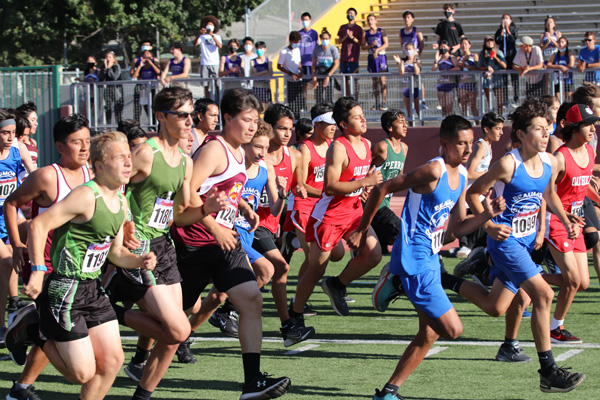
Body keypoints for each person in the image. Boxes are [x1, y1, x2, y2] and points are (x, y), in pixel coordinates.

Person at [347, 115, 505, 400]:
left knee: (429, 334)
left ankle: (388, 393)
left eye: (470, 143)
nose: (468, 150)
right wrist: (360, 231)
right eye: (461, 144)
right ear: (444, 144)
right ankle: (394, 280)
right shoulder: (434, 170)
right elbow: (383, 188)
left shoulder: (462, 178)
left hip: (432, 256)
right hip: (415, 258)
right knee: (453, 330)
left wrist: (485, 215)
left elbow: (458, 229)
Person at [8, 131, 157, 400]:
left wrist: (138, 260)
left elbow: (116, 253)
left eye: (129, 157)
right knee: (81, 374)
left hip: (93, 289)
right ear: (100, 166)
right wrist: (39, 271)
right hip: (65, 289)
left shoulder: (121, 202)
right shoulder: (87, 196)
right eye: (120, 157)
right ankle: (31, 328)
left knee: (112, 362)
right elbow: (39, 224)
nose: (128, 163)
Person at [170, 88, 291, 399]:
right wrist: (214, 226)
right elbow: (187, 194)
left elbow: (224, 191)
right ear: (228, 118)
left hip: (226, 243)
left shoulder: (239, 150)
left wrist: (243, 207)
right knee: (173, 318)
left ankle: (252, 383)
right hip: (195, 243)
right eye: (246, 120)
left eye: (255, 121)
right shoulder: (214, 149)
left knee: (251, 299)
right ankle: (139, 357)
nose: (252, 126)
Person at [459, 98, 586, 393]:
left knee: (495, 306)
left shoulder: (550, 161)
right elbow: (473, 194)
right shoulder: (508, 164)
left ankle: (447, 277)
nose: (546, 134)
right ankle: (549, 371)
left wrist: (565, 218)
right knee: (542, 295)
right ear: (521, 134)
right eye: (539, 129)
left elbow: (550, 194)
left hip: (526, 242)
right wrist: (489, 224)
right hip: (506, 243)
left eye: (547, 129)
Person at [105, 87, 194, 400]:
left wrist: (210, 209)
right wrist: (125, 223)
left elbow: (181, 214)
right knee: (179, 331)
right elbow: (112, 186)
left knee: (173, 335)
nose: (187, 121)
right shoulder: (145, 153)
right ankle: (105, 311)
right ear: (161, 116)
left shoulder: (185, 159)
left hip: (164, 245)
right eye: (180, 114)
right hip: (140, 246)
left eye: (190, 114)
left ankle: (142, 396)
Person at [4, 114, 92, 400]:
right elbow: (12, 202)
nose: (83, 148)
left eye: (87, 141)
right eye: (76, 142)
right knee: (56, 331)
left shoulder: (92, 174)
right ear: (59, 146)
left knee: (51, 327)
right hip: (47, 264)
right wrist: (18, 244)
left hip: (77, 266)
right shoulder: (46, 176)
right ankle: (26, 331)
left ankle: (22, 382)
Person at [290, 97, 382, 324]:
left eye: (362, 115)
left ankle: (337, 284)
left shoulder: (367, 144)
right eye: (356, 117)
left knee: (374, 254)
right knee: (316, 269)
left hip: (353, 210)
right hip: (329, 216)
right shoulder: (338, 148)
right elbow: (330, 187)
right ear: (343, 124)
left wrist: (364, 187)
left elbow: (357, 179)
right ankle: (294, 315)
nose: (362, 119)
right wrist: (363, 183)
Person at [252, 104, 311, 345]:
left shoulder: (294, 156)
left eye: (290, 129)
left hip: (271, 224)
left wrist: (301, 189)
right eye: (281, 128)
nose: (287, 133)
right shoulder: (257, 154)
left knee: (258, 274)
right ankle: (288, 326)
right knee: (280, 267)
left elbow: (300, 187)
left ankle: (226, 308)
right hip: (251, 224)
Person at [542, 104, 600, 345]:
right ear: (574, 128)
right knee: (572, 280)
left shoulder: (590, 152)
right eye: (588, 125)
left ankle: (522, 277)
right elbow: (547, 192)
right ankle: (556, 328)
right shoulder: (560, 157)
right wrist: (566, 219)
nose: (593, 129)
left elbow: (582, 182)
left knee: (582, 283)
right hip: (557, 220)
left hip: (575, 221)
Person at [456, 112, 505, 258]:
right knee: (485, 218)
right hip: (469, 195)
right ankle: (466, 247)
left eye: (502, 129)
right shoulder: (480, 146)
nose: (501, 133)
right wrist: (491, 175)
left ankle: (474, 248)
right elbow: (470, 172)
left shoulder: (488, 147)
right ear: (486, 129)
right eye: (497, 129)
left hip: (478, 193)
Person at [0, 110, 27, 348]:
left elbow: (27, 181)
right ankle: (14, 304)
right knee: (7, 260)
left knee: (40, 231)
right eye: (5, 132)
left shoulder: (16, 154)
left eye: (12, 133)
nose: (10, 137)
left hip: (11, 218)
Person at [370, 109, 408, 255]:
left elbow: (399, 176)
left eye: (405, 122)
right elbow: (362, 168)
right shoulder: (382, 147)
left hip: (386, 202)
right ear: (390, 127)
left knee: (379, 250)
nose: (405, 125)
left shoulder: (404, 148)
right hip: (374, 203)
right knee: (403, 233)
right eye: (400, 122)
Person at [362, 14, 389, 111]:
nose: (370, 22)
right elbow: (363, 46)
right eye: (368, 20)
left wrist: (377, 49)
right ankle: (377, 101)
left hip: (381, 56)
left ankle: (384, 102)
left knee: (382, 80)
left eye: (372, 19)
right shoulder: (366, 33)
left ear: (375, 21)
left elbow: (386, 44)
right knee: (374, 81)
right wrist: (371, 46)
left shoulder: (381, 31)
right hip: (371, 57)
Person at [131, 41, 161, 124]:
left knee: (153, 106)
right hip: (142, 87)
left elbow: (159, 72)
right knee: (140, 106)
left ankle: (154, 123)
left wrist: (151, 63)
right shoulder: (137, 60)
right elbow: (133, 76)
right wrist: (140, 66)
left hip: (152, 87)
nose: (146, 55)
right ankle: (136, 123)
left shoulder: (154, 60)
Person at [337, 7, 363, 98]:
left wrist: (352, 37)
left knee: (355, 80)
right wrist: (346, 36)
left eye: (352, 13)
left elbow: (361, 43)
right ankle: (347, 97)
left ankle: (356, 98)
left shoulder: (358, 28)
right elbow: (339, 41)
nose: (350, 15)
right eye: (348, 13)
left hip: (354, 59)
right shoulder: (343, 27)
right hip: (344, 58)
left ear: (355, 16)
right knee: (345, 79)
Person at [194, 15, 223, 98]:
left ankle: (219, 99)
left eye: (211, 25)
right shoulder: (202, 37)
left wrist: (212, 36)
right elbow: (195, 44)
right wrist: (200, 33)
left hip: (215, 62)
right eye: (208, 25)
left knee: (217, 83)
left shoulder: (217, 36)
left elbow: (220, 46)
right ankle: (207, 100)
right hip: (205, 62)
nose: (209, 26)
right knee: (205, 84)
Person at [478, 36, 506, 116]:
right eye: (488, 41)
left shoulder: (499, 52)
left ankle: (500, 116)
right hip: (487, 79)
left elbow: (504, 65)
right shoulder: (483, 53)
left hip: (497, 79)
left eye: (491, 41)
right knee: (490, 101)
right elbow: (479, 66)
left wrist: (496, 57)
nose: (489, 43)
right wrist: (487, 68)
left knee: (500, 101)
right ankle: (492, 116)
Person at [495, 14, 519, 107]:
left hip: (511, 56)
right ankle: (505, 99)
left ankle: (515, 99)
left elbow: (513, 40)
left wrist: (508, 29)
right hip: (503, 57)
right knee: (504, 79)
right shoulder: (499, 31)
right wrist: (502, 30)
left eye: (507, 18)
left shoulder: (513, 30)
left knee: (514, 79)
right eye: (503, 18)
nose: (505, 20)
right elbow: (497, 41)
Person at [277, 31, 303, 119]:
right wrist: (290, 74)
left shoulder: (297, 50)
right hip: (289, 81)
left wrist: (301, 70)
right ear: (291, 41)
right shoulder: (284, 52)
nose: (297, 44)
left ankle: (298, 119)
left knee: (299, 102)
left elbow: (299, 62)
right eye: (295, 42)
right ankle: (292, 120)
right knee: (291, 103)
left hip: (298, 80)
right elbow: (279, 66)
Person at [311, 28, 340, 105]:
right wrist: (314, 77)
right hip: (320, 74)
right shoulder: (316, 49)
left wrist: (328, 76)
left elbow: (336, 64)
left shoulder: (333, 49)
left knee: (329, 97)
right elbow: (313, 64)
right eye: (323, 38)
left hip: (330, 74)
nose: (325, 40)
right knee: (318, 96)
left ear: (329, 39)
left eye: (326, 38)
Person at [432, 41, 459, 117]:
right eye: (441, 47)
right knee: (443, 107)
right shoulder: (439, 58)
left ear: (448, 48)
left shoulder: (452, 58)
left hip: (450, 83)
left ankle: (450, 122)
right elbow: (433, 69)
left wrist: (448, 71)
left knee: (449, 108)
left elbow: (458, 67)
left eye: (444, 47)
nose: (442, 49)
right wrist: (436, 60)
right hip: (441, 83)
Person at [394, 44, 421, 120]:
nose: (408, 51)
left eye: (410, 49)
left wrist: (414, 61)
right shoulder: (403, 61)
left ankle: (421, 124)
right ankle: (411, 126)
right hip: (406, 86)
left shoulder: (417, 60)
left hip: (415, 86)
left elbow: (417, 72)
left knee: (417, 108)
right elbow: (401, 72)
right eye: (407, 49)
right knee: (409, 110)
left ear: (414, 50)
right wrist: (399, 63)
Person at [299, 12, 319, 109]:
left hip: (311, 62)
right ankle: (304, 104)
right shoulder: (299, 33)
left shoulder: (314, 33)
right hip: (302, 63)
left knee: (314, 84)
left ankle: (316, 104)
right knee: (303, 85)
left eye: (306, 20)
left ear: (310, 21)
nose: (305, 22)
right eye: (303, 20)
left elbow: (317, 47)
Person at [98, 51, 123, 125]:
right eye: (106, 57)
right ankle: (108, 125)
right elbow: (101, 78)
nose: (107, 59)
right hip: (108, 90)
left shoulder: (116, 66)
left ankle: (119, 125)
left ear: (113, 59)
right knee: (108, 108)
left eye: (109, 57)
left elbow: (114, 77)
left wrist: (109, 68)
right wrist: (105, 68)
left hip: (117, 90)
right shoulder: (104, 67)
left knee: (117, 109)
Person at [457, 37, 479, 118]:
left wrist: (465, 65)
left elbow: (476, 68)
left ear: (469, 45)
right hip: (462, 83)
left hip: (471, 82)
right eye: (462, 44)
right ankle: (465, 125)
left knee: (473, 105)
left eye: (465, 43)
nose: (464, 45)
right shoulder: (459, 58)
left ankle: (477, 123)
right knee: (463, 106)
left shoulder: (474, 56)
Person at [251, 41, 274, 108]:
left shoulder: (268, 60)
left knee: (269, 106)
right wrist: (264, 72)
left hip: (266, 86)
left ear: (264, 49)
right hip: (257, 87)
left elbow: (270, 74)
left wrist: (258, 74)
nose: (259, 50)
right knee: (256, 106)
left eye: (261, 48)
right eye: (258, 48)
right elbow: (253, 75)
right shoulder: (253, 61)